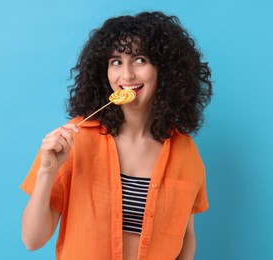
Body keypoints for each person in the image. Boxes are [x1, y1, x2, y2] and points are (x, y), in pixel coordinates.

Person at [21, 11, 212, 260]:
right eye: (116, 61)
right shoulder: (74, 140)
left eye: (140, 60)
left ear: (164, 69)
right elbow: (32, 240)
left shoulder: (184, 151)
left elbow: (186, 238)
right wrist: (47, 171)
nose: (127, 75)